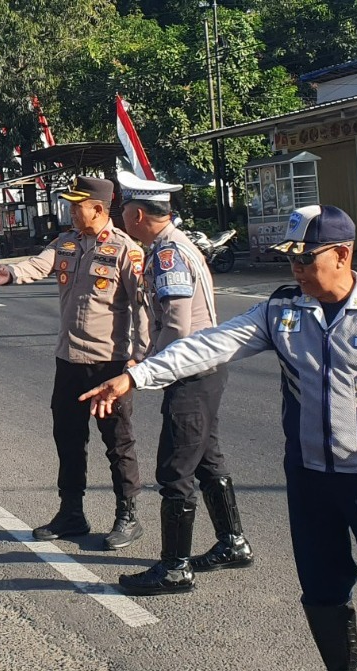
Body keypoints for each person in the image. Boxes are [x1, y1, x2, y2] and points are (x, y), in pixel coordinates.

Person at [82, 205, 357, 671]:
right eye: (290, 260)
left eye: (306, 259)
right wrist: (136, 375)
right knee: (321, 587)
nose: (296, 270)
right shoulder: (282, 311)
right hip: (309, 478)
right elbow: (208, 345)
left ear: (342, 255)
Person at [0, 176, 148, 551]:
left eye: (77, 206)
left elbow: (142, 308)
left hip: (109, 365)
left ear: (99, 209)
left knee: (118, 442)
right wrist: (11, 273)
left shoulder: (126, 250)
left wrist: (138, 360)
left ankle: (128, 515)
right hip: (69, 361)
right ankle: (71, 512)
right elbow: (38, 264)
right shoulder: (65, 243)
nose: (71, 211)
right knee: (68, 439)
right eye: (70, 205)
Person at [111, 172, 253, 596]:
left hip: (190, 371)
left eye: (124, 210)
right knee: (206, 457)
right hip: (205, 368)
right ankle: (233, 542)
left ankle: (175, 568)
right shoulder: (175, 245)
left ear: (138, 214)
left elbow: (176, 325)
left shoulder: (167, 255)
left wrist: (149, 370)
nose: (122, 217)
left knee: (175, 469)